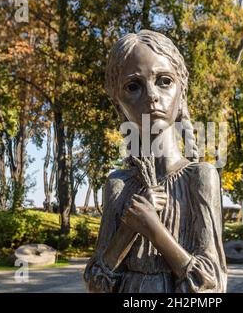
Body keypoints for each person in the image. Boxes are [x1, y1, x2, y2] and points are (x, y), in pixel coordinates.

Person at [83, 30, 227, 293]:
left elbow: (210, 287)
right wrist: (128, 228)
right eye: (133, 86)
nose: (151, 96)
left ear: (182, 92)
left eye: (163, 81)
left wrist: (152, 227)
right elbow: (96, 283)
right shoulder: (118, 185)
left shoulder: (200, 177)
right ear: (119, 104)